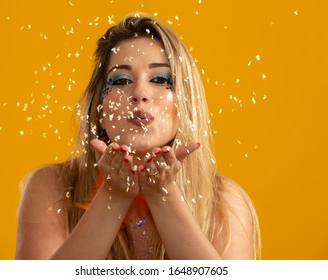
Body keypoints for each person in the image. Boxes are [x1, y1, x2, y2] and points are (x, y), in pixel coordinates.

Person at [15, 13, 261, 260]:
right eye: (121, 80)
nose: (140, 92)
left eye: (160, 79)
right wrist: (114, 195)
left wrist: (164, 196)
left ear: (185, 102)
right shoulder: (53, 187)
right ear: (100, 105)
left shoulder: (224, 201)